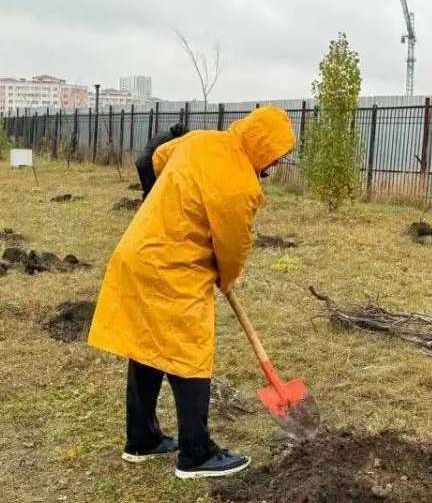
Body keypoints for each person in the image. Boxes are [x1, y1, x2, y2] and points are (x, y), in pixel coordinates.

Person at [88, 106, 294, 480]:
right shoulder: (241, 186)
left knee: (148, 344)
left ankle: (142, 439)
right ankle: (196, 453)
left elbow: (154, 159)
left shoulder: (200, 140)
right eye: (277, 156)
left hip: (137, 251)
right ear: (263, 147)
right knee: (190, 352)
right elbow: (231, 250)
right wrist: (227, 278)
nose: (275, 165)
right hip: (173, 270)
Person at [136, 123, 189, 199]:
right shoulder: (171, 141)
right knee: (152, 190)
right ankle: (149, 209)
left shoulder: (161, 134)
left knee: (147, 189)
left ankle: (145, 206)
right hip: (148, 164)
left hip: (140, 161)